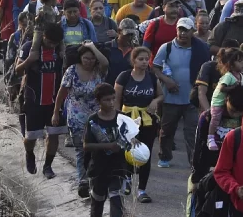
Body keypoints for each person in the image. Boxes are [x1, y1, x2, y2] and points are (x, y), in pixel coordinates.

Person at [53, 42, 109, 196]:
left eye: (92, 58)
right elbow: (62, 92)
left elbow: (105, 62)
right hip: (76, 117)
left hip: (97, 117)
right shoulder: (72, 71)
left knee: (97, 150)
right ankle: (83, 180)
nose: (89, 61)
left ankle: (95, 179)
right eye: (86, 58)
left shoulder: (99, 71)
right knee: (81, 150)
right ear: (80, 58)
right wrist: (56, 112)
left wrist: (92, 47)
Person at [153, 17, 210, 168]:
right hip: (171, 97)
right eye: (180, 29)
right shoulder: (167, 48)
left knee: (192, 132)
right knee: (166, 131)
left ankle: (194, 162)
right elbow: (155, 68)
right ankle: (164, 156)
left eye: (186, 30)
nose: (183, 33)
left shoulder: (202, 48)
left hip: (191, 99)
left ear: (193, 31)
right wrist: (167, 80)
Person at [188, 85, 243, 217]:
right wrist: (196, 177)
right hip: (207, 170)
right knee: (197, 206)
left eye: (239, 112)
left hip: (232, 176)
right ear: (226, 99)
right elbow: (199, 148)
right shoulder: (207, 118)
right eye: (233, 110)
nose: (235, 114)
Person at [16, 23, 66, 178]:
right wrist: (29, 60)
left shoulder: (60, 51)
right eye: (49, 42)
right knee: (30, 137)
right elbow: (17, 70)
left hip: (54, 101)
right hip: (33, 100)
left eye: (55, 43)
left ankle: (47, 166)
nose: (52, 45)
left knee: (54, 135)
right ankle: (29, 154)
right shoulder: (30, 47)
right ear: (43, 36)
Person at [114, 46, 163, 203]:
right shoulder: (124, 76)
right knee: (127, 151)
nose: (144, 62)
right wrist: (117, 119)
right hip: (127, 119)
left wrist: (155, 101)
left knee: (145, 153)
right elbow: (116, 99)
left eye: (146, 59)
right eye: (140, 59)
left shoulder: (152, 77)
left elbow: (161, 95)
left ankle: (142, 190)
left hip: (147, 120)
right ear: (133, 60)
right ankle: (126, 180)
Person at [83, 83, 131, 217]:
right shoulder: (93, 120)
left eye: (113, 99)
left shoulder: (122, 117)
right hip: (99, 168)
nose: (111, 103)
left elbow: (131, 139)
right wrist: (108, 146)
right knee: (97, 202)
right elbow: (86, 145)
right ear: (98, 101)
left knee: (116, 201)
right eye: (106, 100)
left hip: (118, 167)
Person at [207, 48, 243, 151]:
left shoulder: (241, 76)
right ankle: (210, 137)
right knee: (215, 119)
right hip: (218, 101)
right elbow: (222, 88)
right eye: (239, 61)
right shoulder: (229, 76)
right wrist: (233, 87)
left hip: (229, 102)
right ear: (231, 64)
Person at [194, 39, 242, 113]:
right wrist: (209, 113)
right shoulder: (209, 67)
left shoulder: (239, 71)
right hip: (211, 108)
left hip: (232, 113)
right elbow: (201, 93)